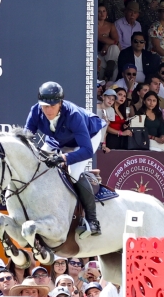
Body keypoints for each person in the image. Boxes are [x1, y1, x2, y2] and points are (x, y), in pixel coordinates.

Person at [23, 81, 107, 236]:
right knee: (39, 167)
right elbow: (26, 138)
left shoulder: (73, 115)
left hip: (88, 137)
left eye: (52, 106)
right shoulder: (35, 111)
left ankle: (92, 221)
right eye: (44, 106)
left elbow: (87, 150)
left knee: (73, 174)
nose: (48, 110)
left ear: (60, 103)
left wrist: (63, 157)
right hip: (58, 139)